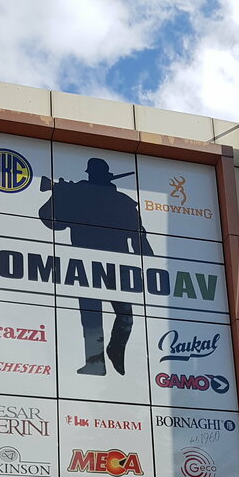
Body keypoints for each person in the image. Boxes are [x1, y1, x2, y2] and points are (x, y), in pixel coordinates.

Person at [38, 157, 153, 376]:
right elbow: (53, 222)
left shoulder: (121, 201)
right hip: (86, 263)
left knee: (125, 315)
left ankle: (114, 350)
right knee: (91, 316)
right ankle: (95, 362)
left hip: (118, 265)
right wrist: (59, 194)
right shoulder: (79, 196)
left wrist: (148, 264)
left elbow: (138, 235)